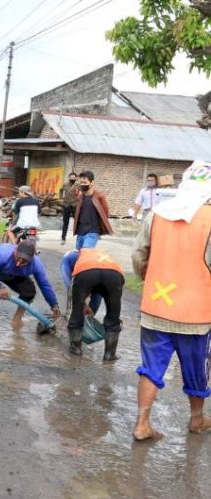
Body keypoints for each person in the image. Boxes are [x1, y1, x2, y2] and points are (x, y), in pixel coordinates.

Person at [131, 160, 211, 441]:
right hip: (196, 313)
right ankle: (197, 419)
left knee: (151, 367)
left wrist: (148, 277)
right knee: (197, 369)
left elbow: (139, 255)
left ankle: (142, 423)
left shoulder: (158, 214)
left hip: (156, 307)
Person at [61, 248, 124, 359]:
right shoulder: (99, 254)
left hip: (86, 272)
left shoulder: (67, 258)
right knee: (113, 315)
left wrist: (82, 305)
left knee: (75, 312)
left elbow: (69, 285)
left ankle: (75, 349)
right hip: (114, 274)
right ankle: (110, 354)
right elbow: (99, 292)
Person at [0, 240, 61, 328]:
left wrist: (54, 304)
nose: (19, 262)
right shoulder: (2, 254)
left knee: (29, 291)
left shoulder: (36, 264)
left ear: (31, 259)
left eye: (25, 260)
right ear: (15, 251)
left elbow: (44, 285)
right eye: (18, 257)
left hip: (14, 274)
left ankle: (17, 319)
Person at [72, 171, 112, 249]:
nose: (82, 184)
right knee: (78, 256)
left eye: (85, 182)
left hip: (93, 231)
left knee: (86, 253)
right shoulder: (80, 198)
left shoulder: (100, 196)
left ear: (91, 182)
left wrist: (100, 231)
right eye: (81, 182)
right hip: (80, 232)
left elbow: (105, 214)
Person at [60, 172, 79, 245]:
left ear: (76, 178)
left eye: (73, 177)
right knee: (65, 223)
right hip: (66, 205)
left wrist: (79, 200)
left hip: (74, 205)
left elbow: (83, 192)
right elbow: (61, 191)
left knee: (77, 222)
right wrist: (61, 198)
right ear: (69, 178)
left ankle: (79, 237)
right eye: (71, 177)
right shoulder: (65, 184)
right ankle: (63, 238)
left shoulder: (78, 185)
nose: (72, 179)